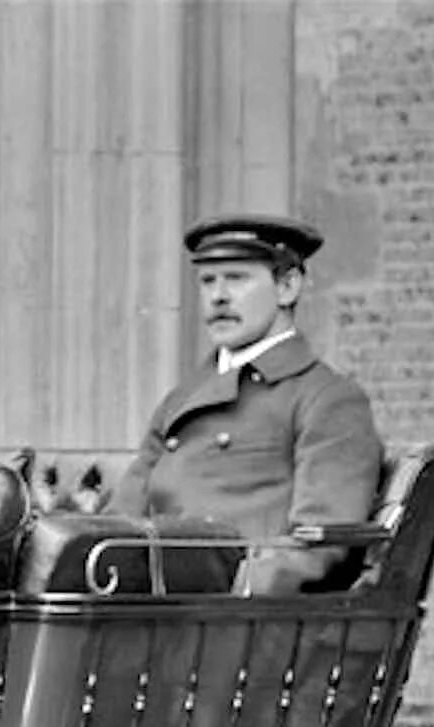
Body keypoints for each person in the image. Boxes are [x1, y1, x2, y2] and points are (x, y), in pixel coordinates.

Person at [107, 213, 383, 594]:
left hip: (244, 622)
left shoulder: (326, 399)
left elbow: (320, 542)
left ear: (287, 286)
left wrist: (239, 592)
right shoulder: (181, 400)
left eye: (237, 278)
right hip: (152, 611)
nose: (218, 296)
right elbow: (119, 521)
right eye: (207, 281)